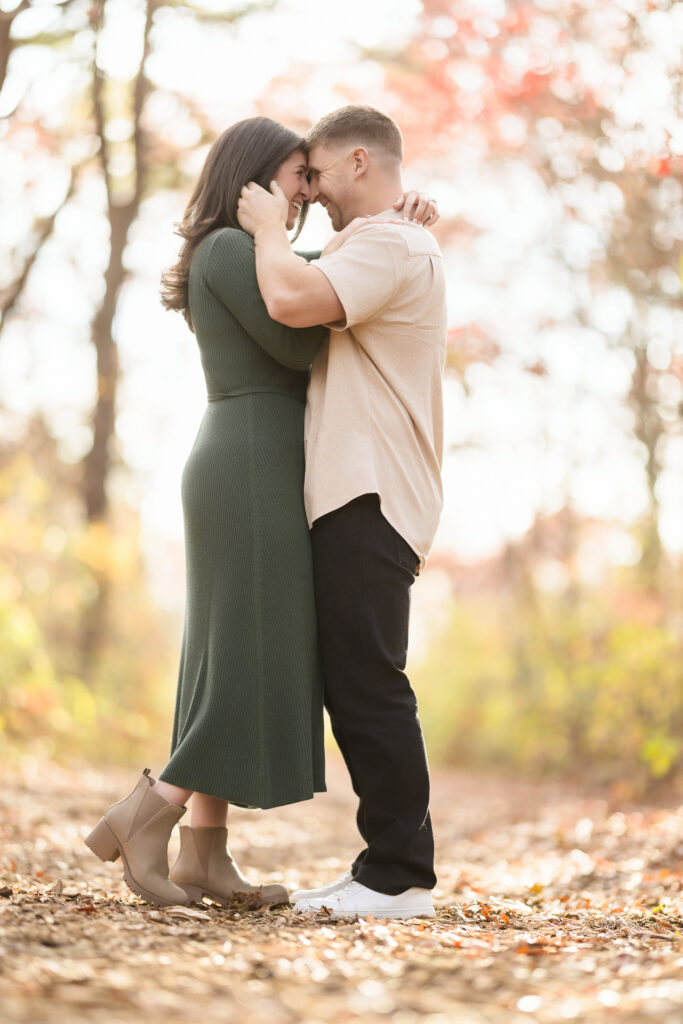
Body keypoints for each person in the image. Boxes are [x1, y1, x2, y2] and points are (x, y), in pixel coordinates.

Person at [83, 115, 438, 908]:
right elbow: (299, 329)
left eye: (311, 178)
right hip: (250, 457)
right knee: (247, 646)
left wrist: (380, 235)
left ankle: (205, 853)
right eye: (293, 177)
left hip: (269, 458)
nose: (304, 193)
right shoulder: (230, 250)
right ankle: (147, 814)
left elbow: (324, 282)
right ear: (249, 183)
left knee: (235, 645)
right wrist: (354, 255)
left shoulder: (258, 251)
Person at [237, 104, 447, 920]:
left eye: (316, 174)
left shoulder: (391, 241)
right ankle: (384, 865)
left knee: (369, 682)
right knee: (357, 680)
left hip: (372, 491)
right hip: (358, 490)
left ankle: (399, 876)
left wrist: (263, 229)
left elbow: (292, 301)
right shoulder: (385, 237)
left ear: (358, 161)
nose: (310, 192)